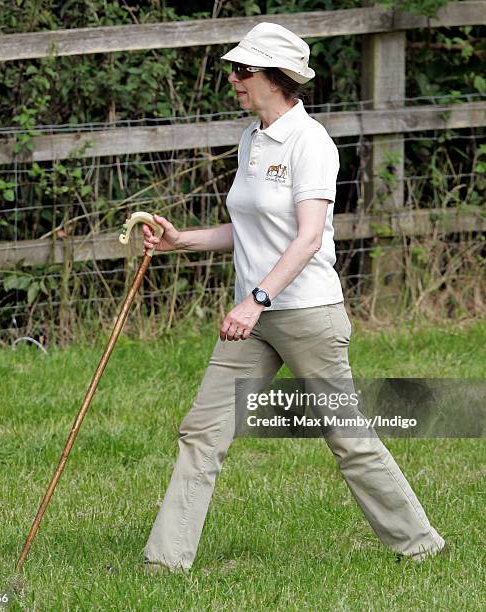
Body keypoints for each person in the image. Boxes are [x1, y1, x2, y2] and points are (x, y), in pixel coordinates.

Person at [140, 22, 445, 572]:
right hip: (254, 318)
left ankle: (419, 544)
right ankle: (165, 563)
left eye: (244, 70)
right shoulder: (250, 138)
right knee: (202, 431)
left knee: (348, 440)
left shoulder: (311, 143)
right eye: (233, 69)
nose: (233, 79)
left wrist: (255, 298)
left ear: (277, 78)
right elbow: (250, 228)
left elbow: (306, 237)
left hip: (305, 314)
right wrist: (181, 239)